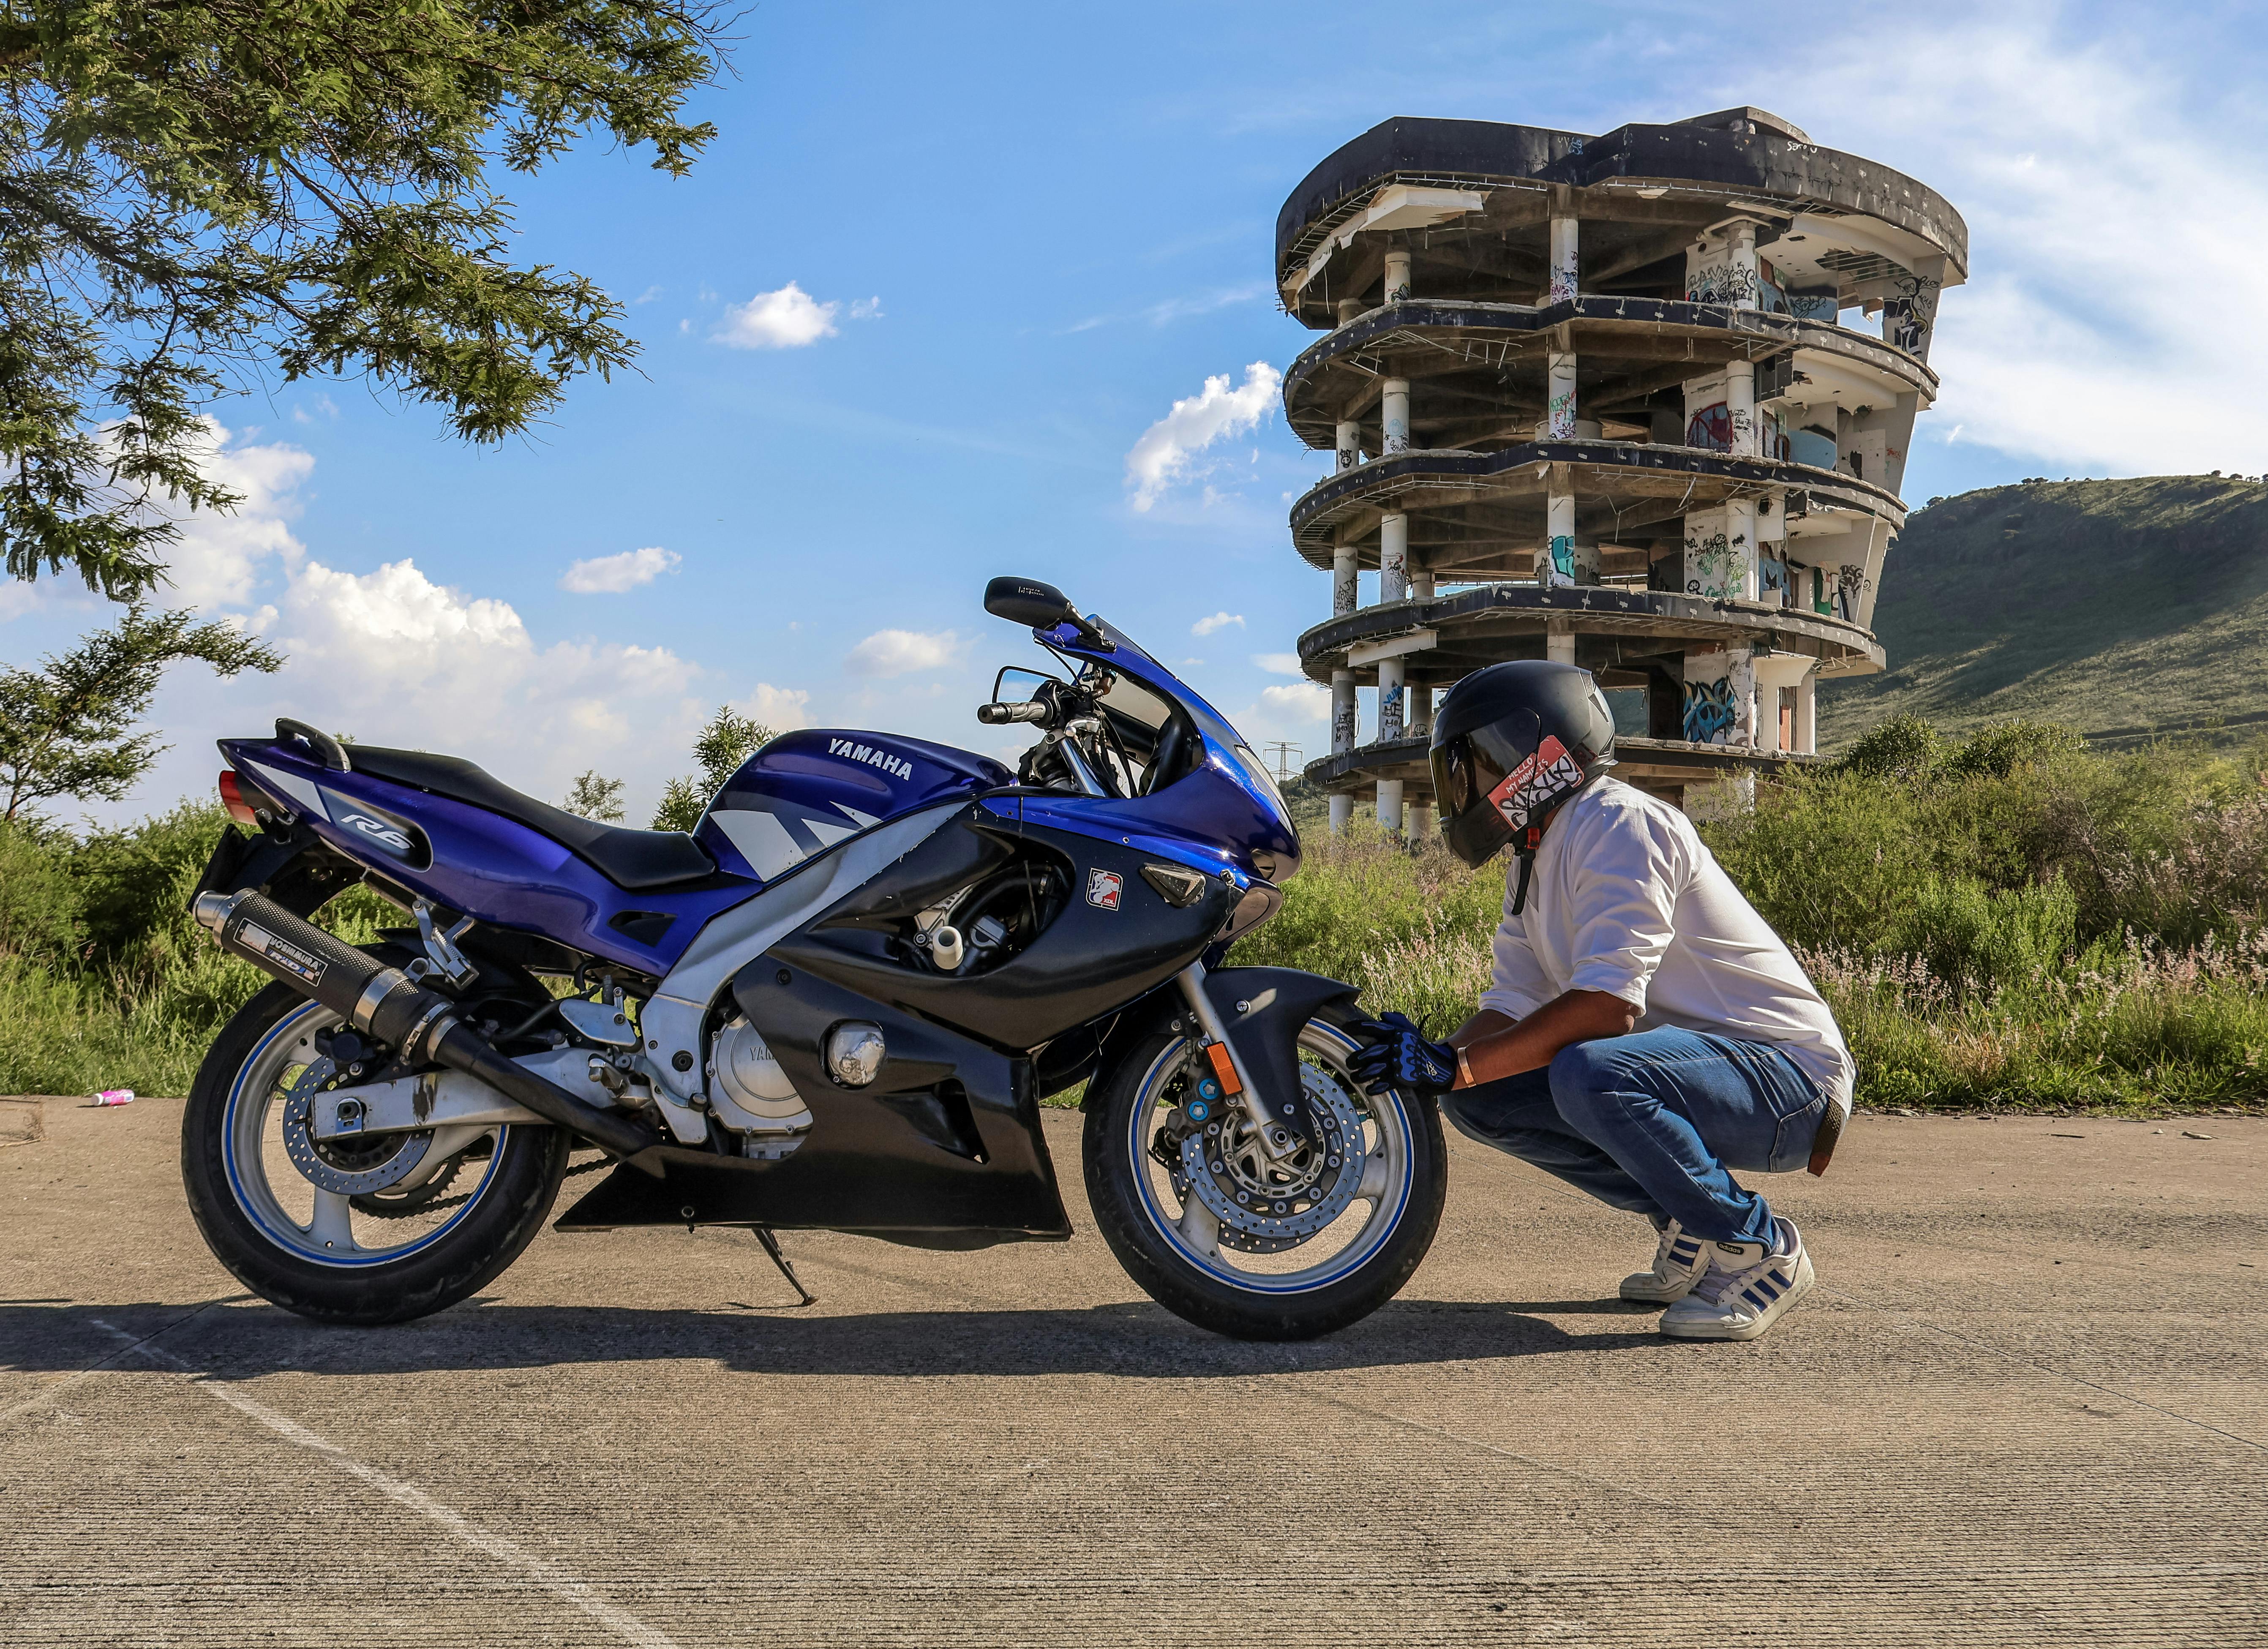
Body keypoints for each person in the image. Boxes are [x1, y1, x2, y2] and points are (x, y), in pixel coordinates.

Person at [1350, 660, 1854, 1341]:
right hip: (1703, 1073)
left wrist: (1458, 1063)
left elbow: (1606, 1009)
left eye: (1475, 762)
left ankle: (1757, 1245)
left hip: (1789, 1082)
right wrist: (1438, 1063)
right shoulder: (1535, 856)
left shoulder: (1619, 823)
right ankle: (1689, 1223)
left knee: (1590, 1070)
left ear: (1533, 750)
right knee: (1480, 1097)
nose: (1465, 787)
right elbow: (1513, 1007)